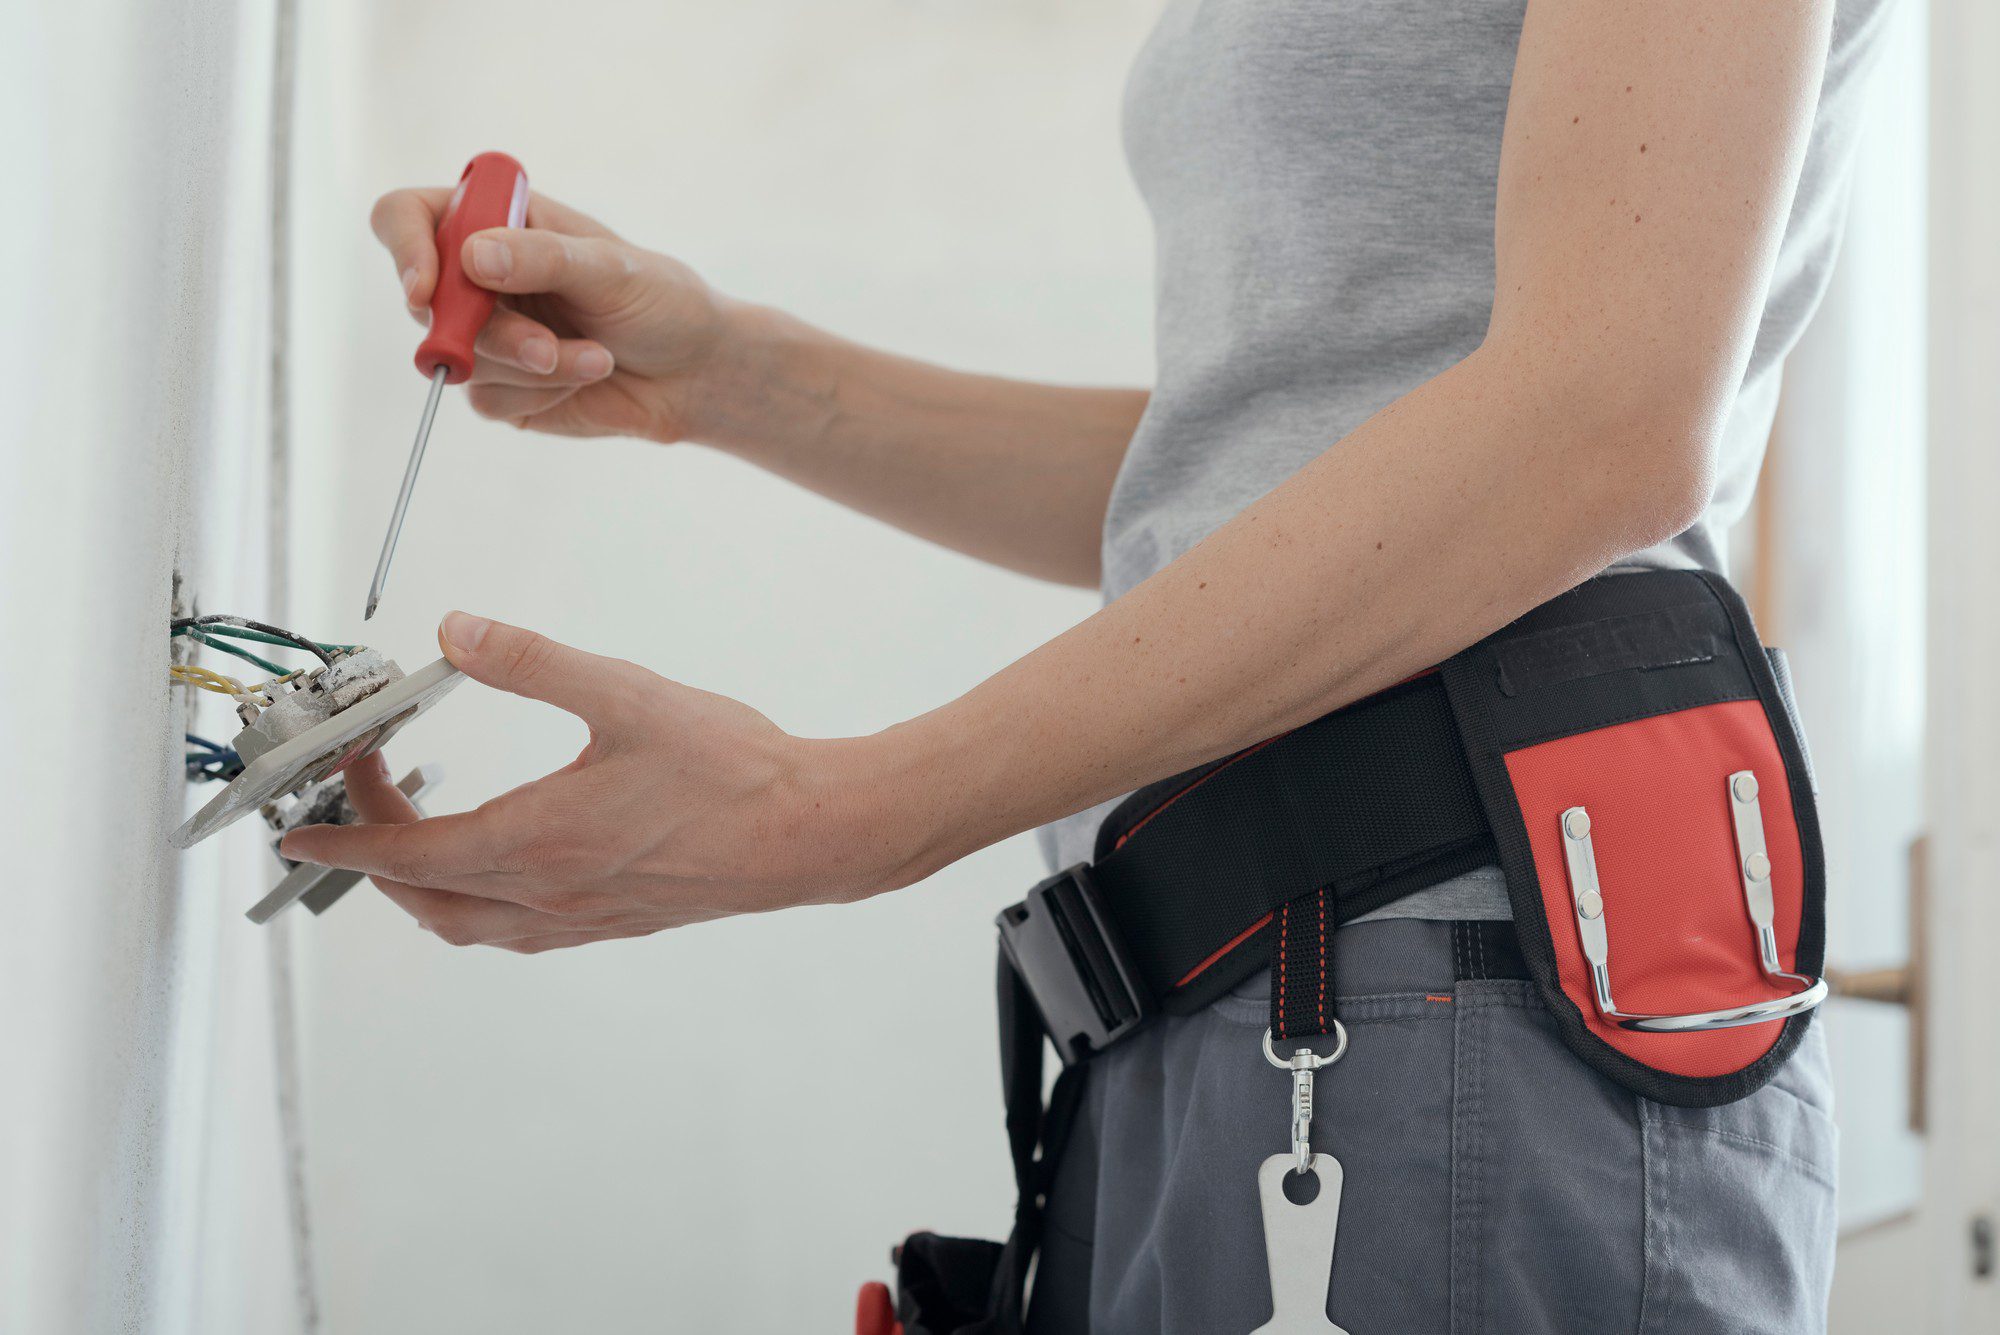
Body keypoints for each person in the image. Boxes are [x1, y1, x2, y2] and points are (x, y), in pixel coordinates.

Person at [286, 1, 1889, 1328]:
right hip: (1226, 1001)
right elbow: (1253, 473)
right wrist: (733, 372)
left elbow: (1598, 421)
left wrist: (852, 807)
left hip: (1461, 987)